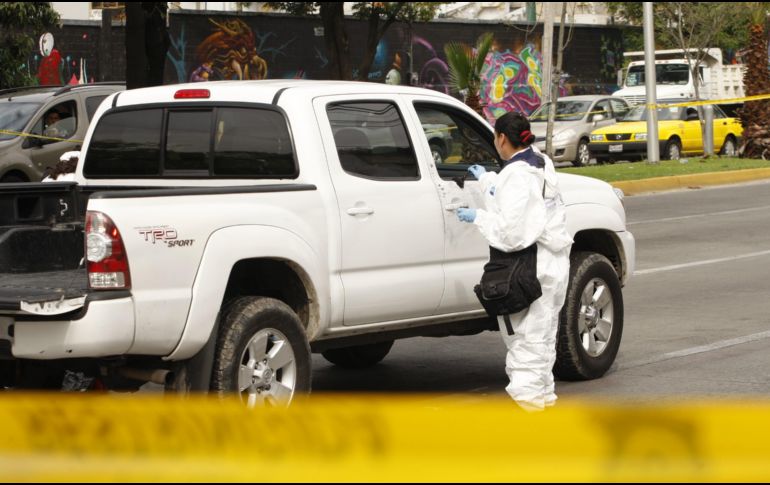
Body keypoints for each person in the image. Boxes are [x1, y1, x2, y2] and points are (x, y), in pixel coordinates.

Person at [455, 111, 573, 411]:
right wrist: (488, 181)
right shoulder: (540, 163)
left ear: (501, 138)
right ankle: (544, 410)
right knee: (543, 347)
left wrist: (478, 217)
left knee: (526, 350)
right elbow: (525, 203)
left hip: (531, 270)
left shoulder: (517, 175)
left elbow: (513, 233)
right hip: (553, 266)